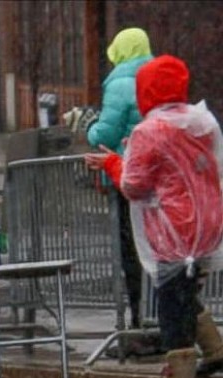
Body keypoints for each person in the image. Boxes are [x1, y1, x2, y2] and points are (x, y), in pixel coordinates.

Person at [84, 55, 223, 378]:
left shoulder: (151, 131)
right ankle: (215, 350)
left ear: (146, 91)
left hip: (174, 229)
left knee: (172, 304)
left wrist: (113, 162)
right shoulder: (202, 121)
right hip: (208, 222)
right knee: (185, 291)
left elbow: (134, 185)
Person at [85, 28, 153, 333]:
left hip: (124, 173)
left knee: (131, 249)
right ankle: (158, 318)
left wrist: (89, 126)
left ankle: (139, 320)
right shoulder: (155, 76)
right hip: (155, 176)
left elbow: (105, 134)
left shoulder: (120, 84)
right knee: (157, 248)